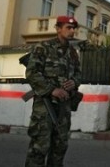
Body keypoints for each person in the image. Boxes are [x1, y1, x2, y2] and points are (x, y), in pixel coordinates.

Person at [25, 16, 81, 166]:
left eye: (73, 28)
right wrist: (52, 90)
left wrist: (74, 82)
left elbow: (78, 73)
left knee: (60, 147)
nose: (72, 31)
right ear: (58, 28)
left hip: (64, 106)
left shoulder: (73, 52)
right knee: (39, 147)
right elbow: (32, 73)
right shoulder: (43, 47)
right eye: (68, 28)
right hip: (45, 106)